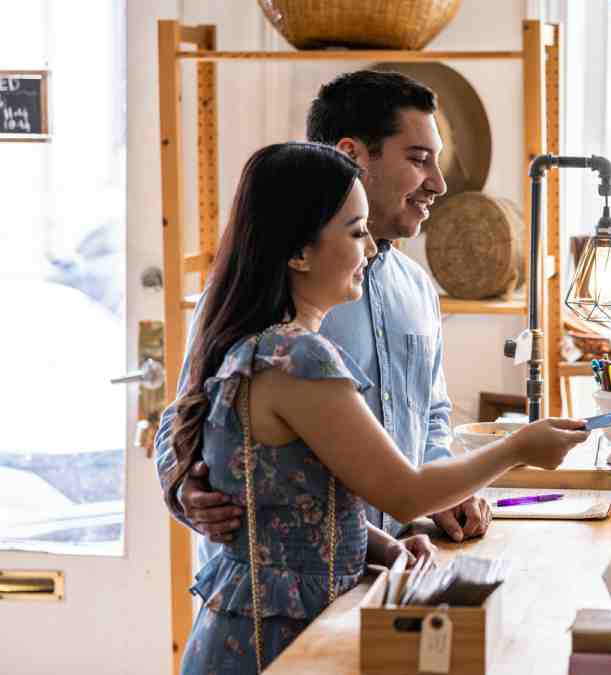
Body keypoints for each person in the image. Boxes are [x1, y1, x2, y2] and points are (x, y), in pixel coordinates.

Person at [172, 142, 588, 673]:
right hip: (274, 647)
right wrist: (519, 447)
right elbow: (405, 491)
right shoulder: (298, 359)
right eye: (355, 231)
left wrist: (382, 548)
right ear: (299, 253)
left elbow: (292, 512)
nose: (370, 249)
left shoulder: (254, 346)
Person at [155, 71, 488, 571]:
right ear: (353, 155)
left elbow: (433, 413)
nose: (439, 184)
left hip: (390, 563)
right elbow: (185, 414)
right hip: (281, 595)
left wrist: (444, 487)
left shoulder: (417, 289)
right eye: (419, 160)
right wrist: (183, 488)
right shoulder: (268, 297)